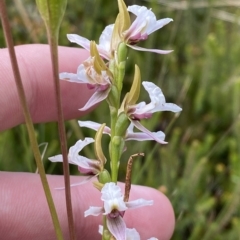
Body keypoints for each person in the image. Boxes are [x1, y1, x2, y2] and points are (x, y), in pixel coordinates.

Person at [0, 44, 175, 240]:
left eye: (115, 209)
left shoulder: (121, 121)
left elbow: (111, 212)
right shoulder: (114, 130)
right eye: (114, 209)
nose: (115, 213)